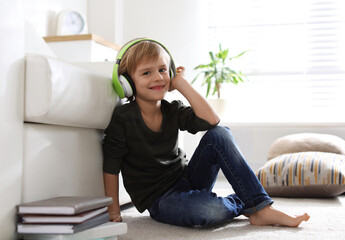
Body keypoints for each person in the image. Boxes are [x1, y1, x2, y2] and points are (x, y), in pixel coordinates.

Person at [102, 38, 310, 227]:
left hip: (187, 178)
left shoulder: (172, 109)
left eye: (163, 70)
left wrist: (182, 84)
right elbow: (111, 167)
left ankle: (260, 207)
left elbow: (212, 120)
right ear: (126, 82)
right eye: (147, 73)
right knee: (210, 211)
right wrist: (113, 210)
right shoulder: (123, 118)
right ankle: (242, 201)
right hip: (160, 199)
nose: (158, 77)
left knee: (219, 134)